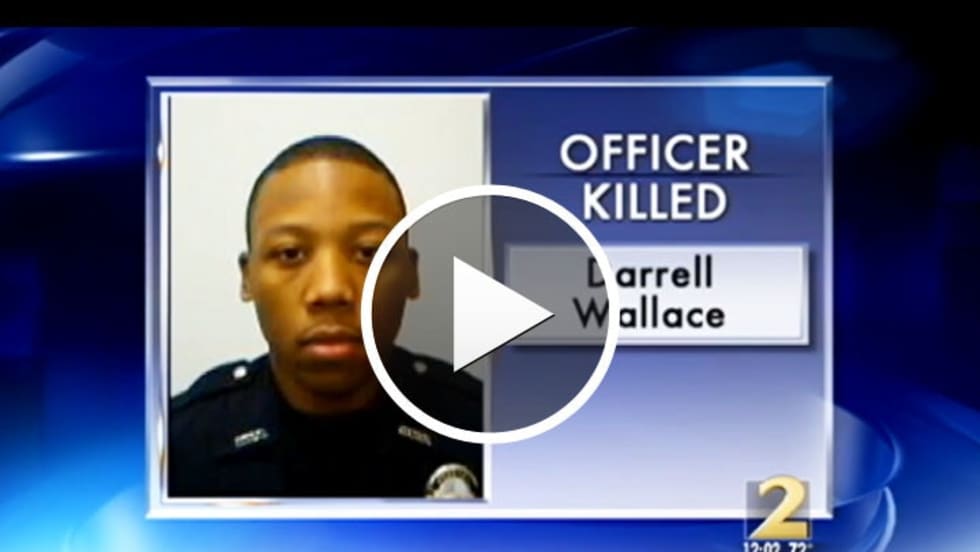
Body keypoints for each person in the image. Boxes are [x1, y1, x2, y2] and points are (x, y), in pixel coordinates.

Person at [168, 135, 483, 499]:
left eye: (368, 252)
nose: (330, 289)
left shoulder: (484, 429)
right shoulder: (174, 449)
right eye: (290, 253)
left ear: (411, 275)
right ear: (247, 278)